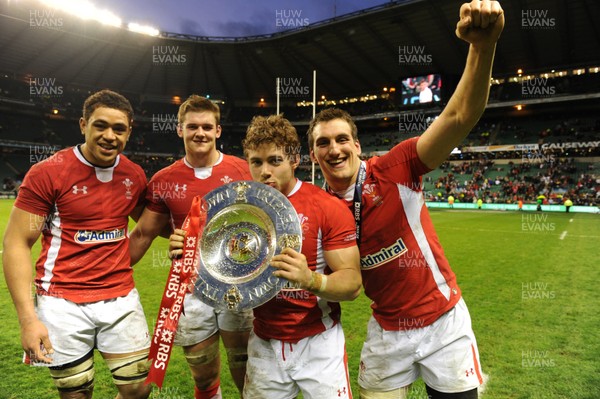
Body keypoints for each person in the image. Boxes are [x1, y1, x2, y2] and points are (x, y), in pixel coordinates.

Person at [307, 1, 504, 398]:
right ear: (313, 155)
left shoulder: (396, 167)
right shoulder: (318, 209)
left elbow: (459, 116)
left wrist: (483, 47)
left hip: (441, 321)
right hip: (386, 330)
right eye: (322, 143)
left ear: (357, 145)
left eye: (342, 139)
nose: (334, 149)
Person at [172, 114, 362, 398]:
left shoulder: (327, 207)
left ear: (294, 160)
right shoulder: (237, 208)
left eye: (275, 161)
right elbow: (215, 272)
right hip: (263, 341)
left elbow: (352, 284)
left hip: (318, 341)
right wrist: (186, 252)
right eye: (256, 162)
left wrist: (310, 279)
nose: (264, 172)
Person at [2, 89, 152, 399]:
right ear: (83, 124)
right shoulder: (48, 174)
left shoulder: (134, 176)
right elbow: (17, 242)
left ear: (129, 132)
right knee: (76, 394)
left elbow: (151, 222)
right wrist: (29, 320)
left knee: (138, 389)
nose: (109, 136)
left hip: (120, 299)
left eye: (119, 129)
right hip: (61, 303)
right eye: (100, 125)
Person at [129, 95, 253, 399]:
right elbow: (144, 234)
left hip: (237, 287)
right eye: (193, 126)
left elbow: (264, 227)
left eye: (207, 127)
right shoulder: (164, 180)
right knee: (203, 375)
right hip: (189, 289)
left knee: (246, 371)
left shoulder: (243, 171)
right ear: (180, 129)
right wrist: (102, 273)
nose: (201, 133)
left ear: (218, 131)